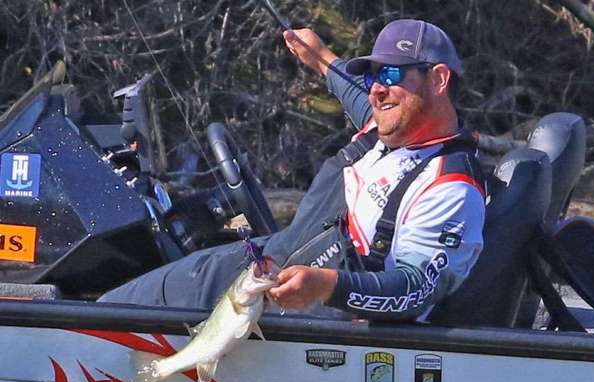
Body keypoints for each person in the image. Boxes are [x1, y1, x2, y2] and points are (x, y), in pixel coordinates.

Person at [100, 19, 486, 322]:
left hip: (308, 318)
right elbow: (348, 85)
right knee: (111, 308)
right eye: (372, 76)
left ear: (438, 79)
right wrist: (317, 55)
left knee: (119, 327)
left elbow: (415, 289)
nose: (376, 90)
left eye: (390, 75)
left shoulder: (450, 187)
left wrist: (328, 287)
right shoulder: (385, 124)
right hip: (265, 265)